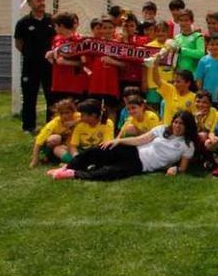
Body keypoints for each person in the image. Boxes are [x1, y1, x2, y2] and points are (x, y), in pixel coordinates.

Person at [49, 110, 197, 181]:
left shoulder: (187, 145)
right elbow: (140, 139)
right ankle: (69, 167)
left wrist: (175, 168)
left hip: (140, 165)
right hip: (132, 151)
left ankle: (72, 174)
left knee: (107, 174)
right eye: (176, 122)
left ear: (187, 126)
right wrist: (119, 141)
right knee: (97, 150)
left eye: (181, 124)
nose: (177, 126)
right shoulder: (162, 129)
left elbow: (183, 167)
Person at [14, 0, 56, 132]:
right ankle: (28, 126)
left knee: (51, 97)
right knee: (29, 96)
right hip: (30, 66)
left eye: (43, 0)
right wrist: (31, 55)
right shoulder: (23, 22)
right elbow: (19, 43)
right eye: (38, 1)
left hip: (49, 66)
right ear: (30, 3)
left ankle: (51, 125)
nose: (42, 3)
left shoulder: (52, 20)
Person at [45, 12, 86, 104]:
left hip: (74, 83)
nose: (54, 28)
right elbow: (56, 58)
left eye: (55, 26)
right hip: (58, 81)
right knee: (59, 110)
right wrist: (51, 55)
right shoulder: (57, 39)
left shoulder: (79, 40)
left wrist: (67, 62)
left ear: (61, 26)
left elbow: (84, 62)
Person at [30, 98, 79, 168]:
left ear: (73, 111)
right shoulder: (54, 124)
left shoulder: (78, 117)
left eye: (67, 112)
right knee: (55, 139)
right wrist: (35, 159)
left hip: (70, 145)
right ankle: (50, 157)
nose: (64, 116)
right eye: (62, 113)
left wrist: (74, 123)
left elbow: (88, 118)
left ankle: (73, 162)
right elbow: (38, 141)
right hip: (53, 146)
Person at [173, 9, 205, 75]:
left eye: (186, 20)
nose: (183, 23)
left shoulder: (198, 37)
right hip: (180, 75)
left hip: (193, 75)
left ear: (192, 21)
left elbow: (201, 54)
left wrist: (182, 50)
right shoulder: (177, 38)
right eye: (181, 20)